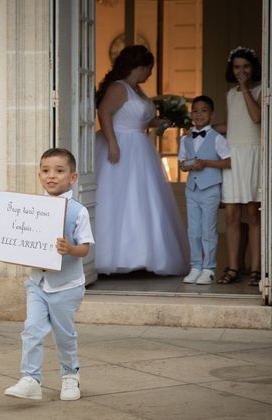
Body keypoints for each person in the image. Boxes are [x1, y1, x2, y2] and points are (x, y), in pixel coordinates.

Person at [0, 148, 94, 401]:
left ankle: (70, 376)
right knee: (32, 329)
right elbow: (18, 238)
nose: (51, 176)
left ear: (73, 177)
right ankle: (30, 379)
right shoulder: (29, 208)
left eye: (59, 171)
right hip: (37, 283)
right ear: (39, 175)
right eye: (45, 171)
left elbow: (85, 248)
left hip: (66, 287)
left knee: (64, 335)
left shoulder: (78, 211)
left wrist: (69, 248)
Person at [94, 45, 189, 276]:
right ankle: (115, 257)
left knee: (142, 200)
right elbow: (104, 112)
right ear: (141, 66)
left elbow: (138, 120)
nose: (150, 73)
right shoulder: (119, 87)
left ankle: (143, 257)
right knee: (119, 199)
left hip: (140, 148)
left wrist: (159, 122)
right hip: (121, 146)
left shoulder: (137, 90)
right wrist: (113, 142)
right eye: (149, 68)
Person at [215, 46, 262, 286]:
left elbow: (257, 118)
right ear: (231, 69)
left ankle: (256, 268)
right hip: (233, 154)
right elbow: (231, 126)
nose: (241, 71)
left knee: (253, 213)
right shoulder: (229, 94)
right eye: (236, 67)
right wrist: (206, 130)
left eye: (245, 66)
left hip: (252, 153)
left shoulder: (261, 90)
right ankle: (233, 267)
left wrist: (245, 89)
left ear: (252, 68)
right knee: (232, 214)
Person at [178, 95, 231, 285]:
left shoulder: (217, 138)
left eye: (204, 110)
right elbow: (182, 164)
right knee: (194, 230)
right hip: (192, 188)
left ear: (212, 114)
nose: (199, 114)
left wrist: (207, 163)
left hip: (210, 188)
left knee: (208, 230)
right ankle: (195, 266)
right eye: (196, 111)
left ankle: (209, 269)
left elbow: (228, 161)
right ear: (191, 113)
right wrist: (187, 166)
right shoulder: (185, 138)